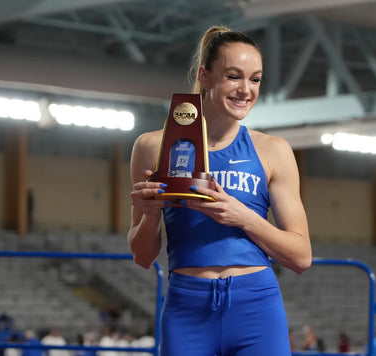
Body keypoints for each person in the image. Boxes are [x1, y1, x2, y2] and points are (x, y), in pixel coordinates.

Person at [128, 25, 312, 356]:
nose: (246, 89)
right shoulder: (153, 146)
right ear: (205, 76)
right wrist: (152, 214)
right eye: (233, 76)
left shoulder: (273, 150)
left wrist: (243, 217)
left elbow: (301, 257)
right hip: (187, 309)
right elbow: (142, 257)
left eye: (255, 79)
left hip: (256, 307)